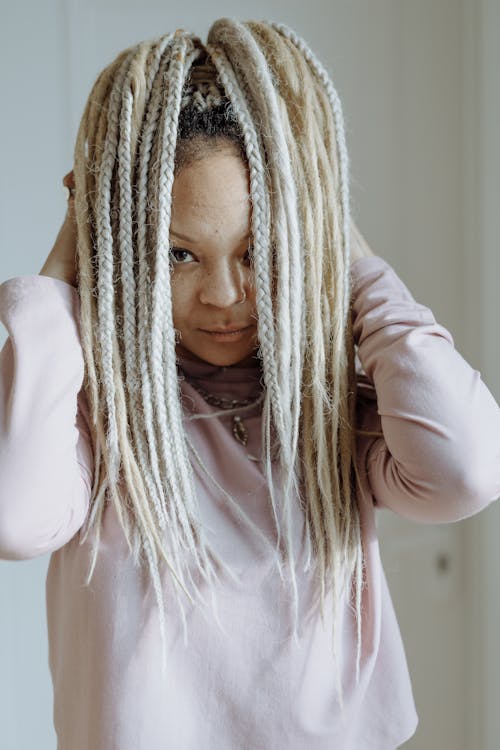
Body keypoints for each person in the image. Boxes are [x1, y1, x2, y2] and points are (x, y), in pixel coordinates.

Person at [1, 18, 499, 750]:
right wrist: (64, 265)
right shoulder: (92, 420)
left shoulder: (335, 417)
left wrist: (345, 249)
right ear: (126, 242)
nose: (225, 294)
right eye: (179, 254)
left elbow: (468, 470)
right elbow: (13, 516)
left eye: (257, 248)